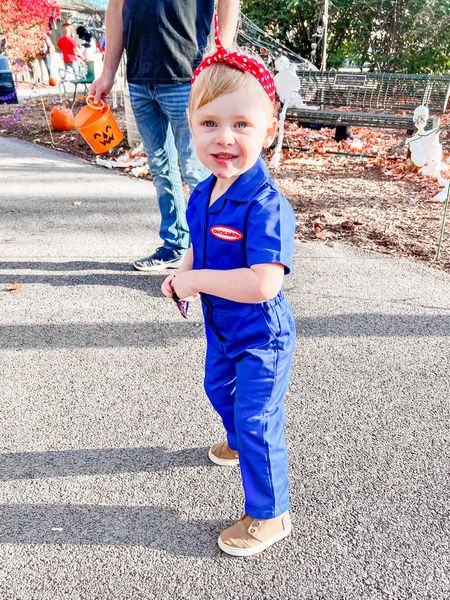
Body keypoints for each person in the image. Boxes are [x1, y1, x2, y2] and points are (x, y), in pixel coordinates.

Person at [161, 20, 297, 557]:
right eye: (209, 123)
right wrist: (186, 275)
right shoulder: (202, 192)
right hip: (221, 326)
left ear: (268, 130)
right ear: (191, 128)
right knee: (218, 392)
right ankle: (239, 441)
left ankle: (270, 515)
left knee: (257, 418)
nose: (224, 138)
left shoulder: (266, 206)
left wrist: (194, 279)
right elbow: (197, 242)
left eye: (242, 123)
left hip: (262, 335)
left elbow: (263, 284)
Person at [89, 0, 240, 271]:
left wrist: (222, 51)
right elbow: (115, 8)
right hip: (139, 79)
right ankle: (175, 245)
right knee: (161, 168)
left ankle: (213, 256)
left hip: (187, 76)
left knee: (198, 171)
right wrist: (108, 73)